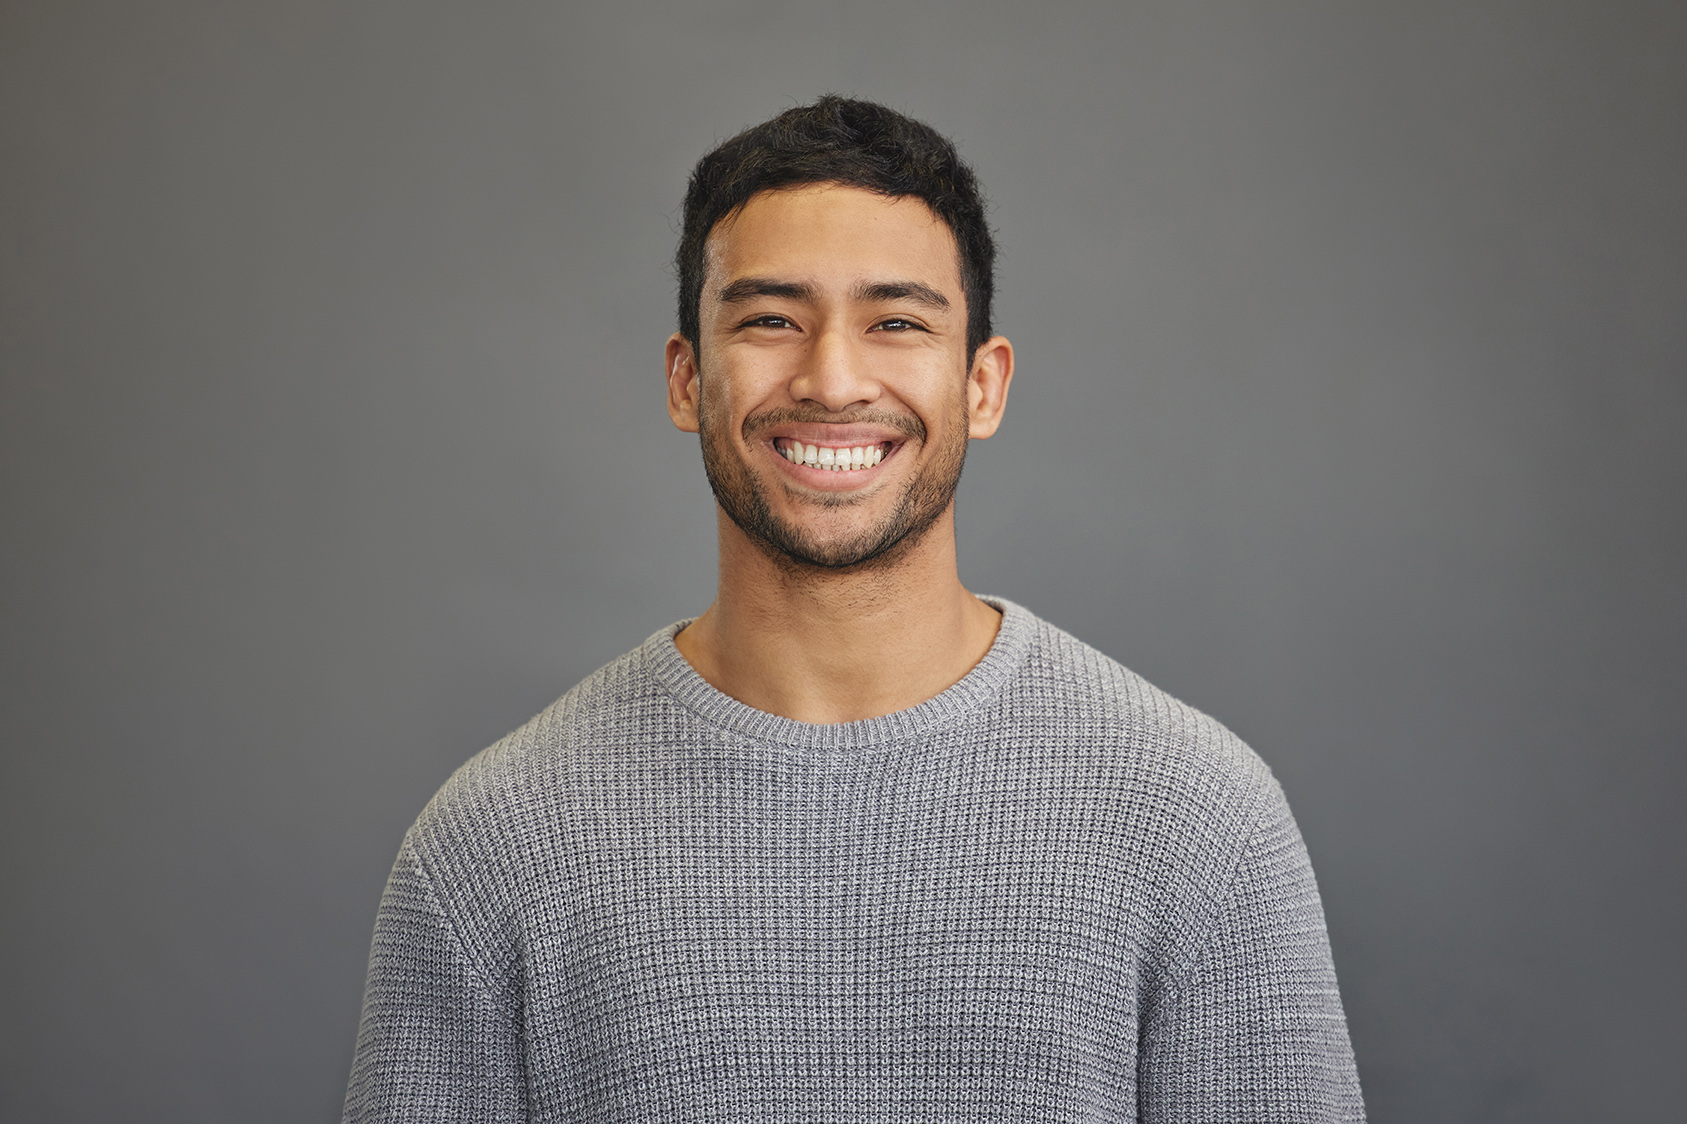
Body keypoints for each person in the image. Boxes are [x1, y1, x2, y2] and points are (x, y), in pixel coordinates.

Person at [342, 95, 1365, 1123]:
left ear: (982, 385)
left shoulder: (1201, 820)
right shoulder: (488, 847)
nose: (832, 378)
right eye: (771, 319)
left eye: (897, 321)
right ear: (686, 377)